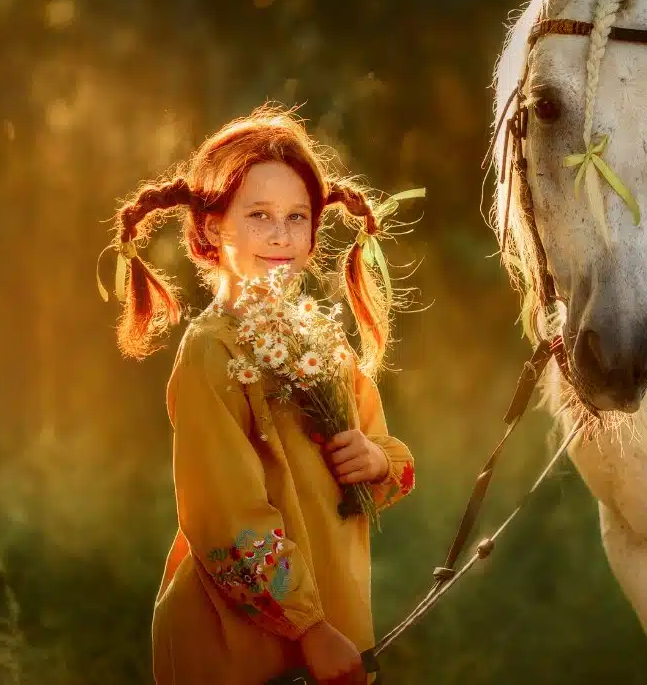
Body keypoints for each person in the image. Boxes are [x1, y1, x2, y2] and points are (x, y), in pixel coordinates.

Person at [106, 106, 416, 685]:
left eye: (297, 217)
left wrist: (374, 461)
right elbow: (226, 518)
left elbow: (382, 458)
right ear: (212, 229)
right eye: (259, 215)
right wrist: (308, 627)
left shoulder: (321, 340)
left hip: (334, 623)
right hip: (242, 645)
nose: (280, 235)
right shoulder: (212, 351)